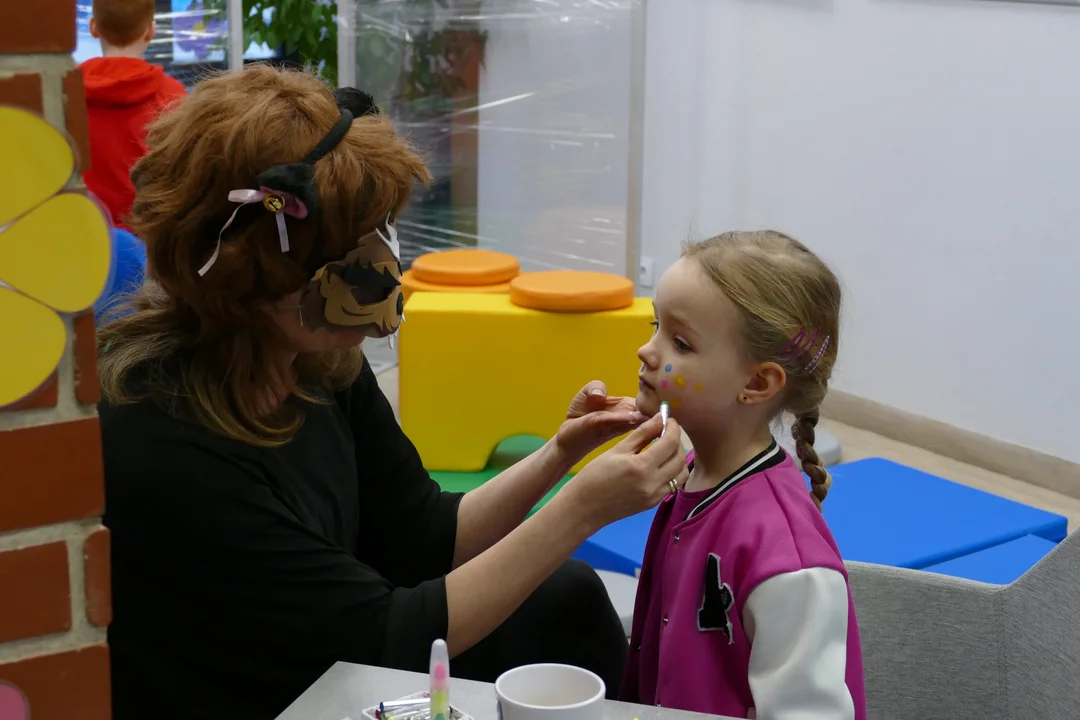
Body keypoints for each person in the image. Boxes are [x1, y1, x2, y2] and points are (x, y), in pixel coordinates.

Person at [96, 64, 689, 720]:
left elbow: (421, 536)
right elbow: (384, 641)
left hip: (342, 652)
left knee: (564, 594)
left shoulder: (316, 363)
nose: (383, 276)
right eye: (352, 260)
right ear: (251, 274)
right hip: (267, 694)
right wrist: (580, 507)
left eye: (382, 237)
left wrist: (556, 458)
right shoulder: (165, 443)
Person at [622, 231, 867, 719]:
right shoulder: (694, 475)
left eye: (680, 341)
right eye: (655, 325)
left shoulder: (788, 563)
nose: (645, 351)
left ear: (756, 382)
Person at [81, 0, 186, 229]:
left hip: (82, 238)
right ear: (150, 30)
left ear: (93, 27)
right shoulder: (173, 97)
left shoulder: (64, 93)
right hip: (149, 240)